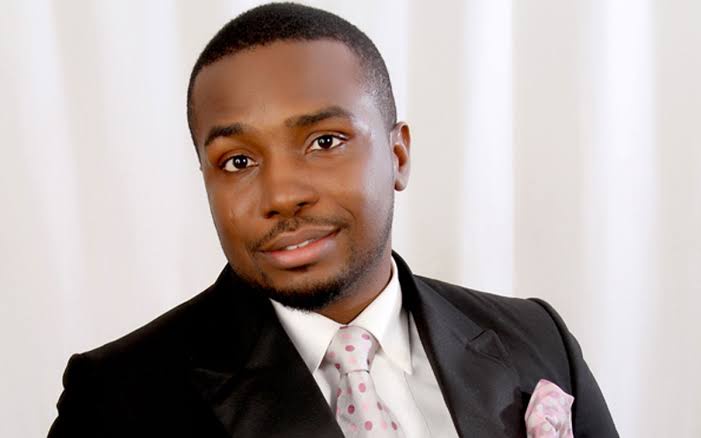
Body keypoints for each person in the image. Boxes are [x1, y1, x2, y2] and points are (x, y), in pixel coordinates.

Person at [48, 3, 618, 437]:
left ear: (398, 155)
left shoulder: (536, 339)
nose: (282, 195)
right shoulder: (116, 399)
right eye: (238, 161)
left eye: (324, 141)